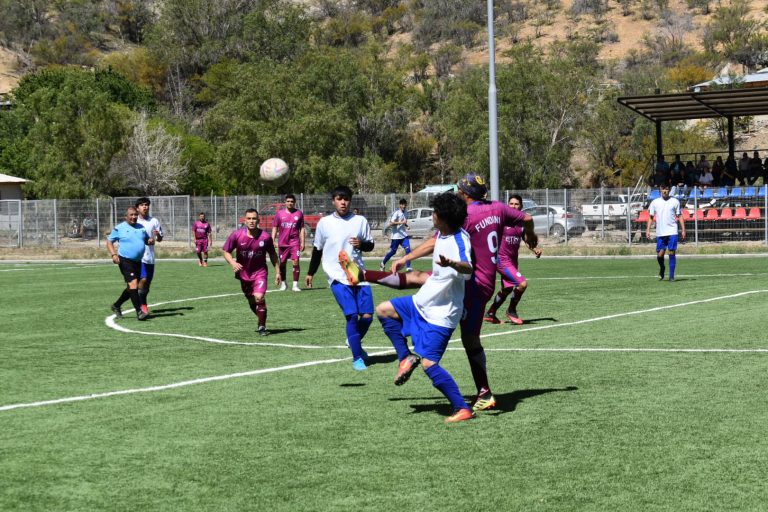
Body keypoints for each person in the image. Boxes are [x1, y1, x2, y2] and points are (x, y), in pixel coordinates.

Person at [390, 174, 537, 412]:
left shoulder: (466, 215)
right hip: (483, 282)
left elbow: (435, 242)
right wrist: (530, 235)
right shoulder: (498, 207)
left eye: (459, 190)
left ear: (464, 193)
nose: (457, 194)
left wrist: (406, 257)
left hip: (472, 284)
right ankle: (414, 352)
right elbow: (528, 218)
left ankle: (482, 391)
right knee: (421, 284)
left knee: (467, 337)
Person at [374, 192, 476, 423]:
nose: (432, 215)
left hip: (442, 313)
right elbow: (431, 244)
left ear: (444, 218)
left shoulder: (460, 240)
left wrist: (453, 264)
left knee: (430, 364)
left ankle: (462, 408)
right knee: (384, 310)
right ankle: (405, 358)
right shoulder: (443, 233)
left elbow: (468, 267)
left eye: (435, 212)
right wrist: (404, 258)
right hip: (423, 302)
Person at [305, 185, 375, 371]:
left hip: (359, 274)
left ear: (350, 201)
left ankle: (352, 341)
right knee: (351, 316)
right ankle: (357, 358)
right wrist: (311, 272)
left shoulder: (360, 221)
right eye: (339, 199)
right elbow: (317, 249)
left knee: (367, 316)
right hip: (336, 275)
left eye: (346, 199)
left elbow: (370, 245)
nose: (343, 202)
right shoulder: (325, 223)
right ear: (333, 201)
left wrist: (361, 244)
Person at [483, 194, 542, 325]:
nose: (513, 206)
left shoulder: (522, 223)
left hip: (512, 260)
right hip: (501, 260)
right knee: (522, 284)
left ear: (521, 206)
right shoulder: (502, 220)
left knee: (507, 289)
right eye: (511, 204)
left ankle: (491, 313)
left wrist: (535, 249)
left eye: (516, 204)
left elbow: (526, 240)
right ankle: (511, 310)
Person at [222, 209, 281, 336]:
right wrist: (232, 262)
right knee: (251, 301)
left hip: (260, 273)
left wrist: (278, 272)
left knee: (259, 297)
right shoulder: (236, 235)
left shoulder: (265, 237)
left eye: (254, 218)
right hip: (244, 274)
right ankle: (261, 316)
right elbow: (226, 251)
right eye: (249, 218)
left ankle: (262, 327)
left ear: (258, 220)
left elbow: (273, 255)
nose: (251, 221)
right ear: (245, 220)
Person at [106, 207, 154, 321]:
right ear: (126, 216)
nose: (133, 217)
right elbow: (109, 241)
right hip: (125, 260)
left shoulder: (141, 227)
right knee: (133, 284)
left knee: (131, 288)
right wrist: (113, 255)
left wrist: (149, 241)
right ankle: (139, 312)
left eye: (135, 215)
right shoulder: (119, 228)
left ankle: (116, 305)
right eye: (131, 215)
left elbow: (146, 240)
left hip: (138, 261)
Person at [646, 184, 686, 282]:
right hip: (660, 232)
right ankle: (662, 268)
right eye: (663, 189)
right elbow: (651, 217)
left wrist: (683, 229)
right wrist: (648, 230)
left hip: (672, 231)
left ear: (669, 190)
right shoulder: (655, 202)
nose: (665, 191)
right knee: (660, 255)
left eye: (667, 189)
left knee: (671, 251)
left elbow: (680, 215)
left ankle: (671, 276)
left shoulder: (675, 201)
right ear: (660, 190)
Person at [272, 194, 305, 292]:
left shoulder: (299, 213)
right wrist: (272, 240)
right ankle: (284, 284)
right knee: (282, 263)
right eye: (288, 201)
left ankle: (295, 285)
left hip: (295, 242)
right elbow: (275, 227)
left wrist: (302, 242)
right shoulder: (279, 214)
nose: (290, 203)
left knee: (296, 261)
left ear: (294, 202)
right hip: (283, 242)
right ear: (285, 202)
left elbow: (302, 228)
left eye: (292, 201)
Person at [135, 197, 163, 315]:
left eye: (146, 204)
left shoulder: (154, 221)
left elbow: (160, 239)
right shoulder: (134, 221)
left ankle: (141, 301)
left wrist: (158, 236)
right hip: (139, 257)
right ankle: (142, 305)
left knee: (147, 283)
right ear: (137, 208)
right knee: (144, 279)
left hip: (150, 257)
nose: (145, 207)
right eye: (142, 205)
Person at [380, 198, 412, 272]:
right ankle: (382, 263)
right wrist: (401, 223)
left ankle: (408, 267)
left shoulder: (406, 212)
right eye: (402, 205)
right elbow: (391, 223)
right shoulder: (396, 213)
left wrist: (406, 226)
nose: (404, 206)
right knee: (393, 251)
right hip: (396, 236)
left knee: (408, 250)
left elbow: (403, 221)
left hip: (404, 235)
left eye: (405, 205)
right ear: (400, 205)